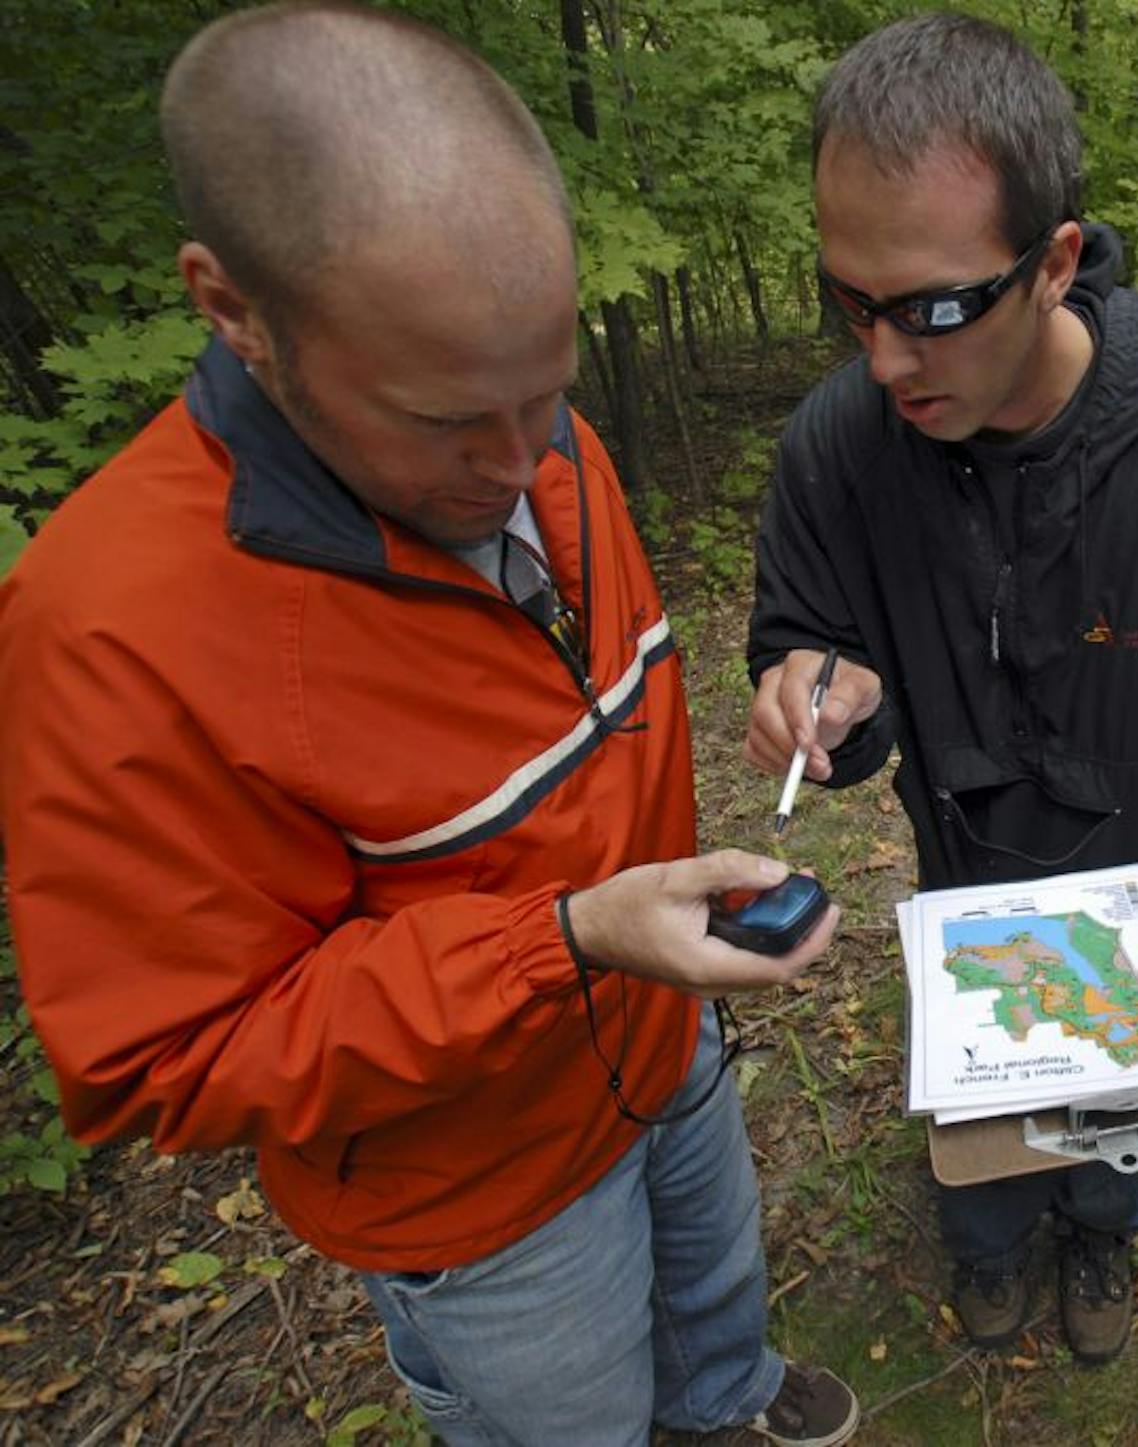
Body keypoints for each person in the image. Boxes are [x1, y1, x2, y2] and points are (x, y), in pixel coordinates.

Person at [0, 6, 859, 1444]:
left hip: (665, 1054)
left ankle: (726, 1405)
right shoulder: (110, 630)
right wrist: (568, 939)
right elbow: (178, 1055)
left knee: (718, 1326)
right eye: (450, 419)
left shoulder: (531, 442)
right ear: (235, 309)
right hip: (486, 1206)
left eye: (549, 391)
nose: (522, 463)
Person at [745, 13, 1138, 1365]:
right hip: (961, 900)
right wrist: (813, 696)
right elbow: (813, 636)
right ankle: (990, 1248)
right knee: (975, 1159)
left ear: (1057, 262)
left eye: (937, 309)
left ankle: (1101, 1234)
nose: (888, 359)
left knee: (1111, 1139)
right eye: (851, 301)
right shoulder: (838, 450)